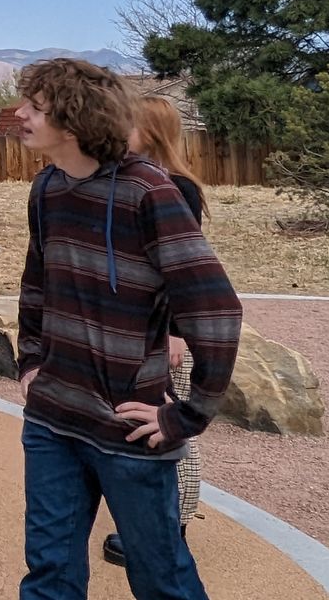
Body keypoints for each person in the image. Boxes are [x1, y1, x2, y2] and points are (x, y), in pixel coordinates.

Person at [13, 59, 241, 600]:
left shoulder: (151, 194)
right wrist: (29, 362)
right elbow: (36, 284)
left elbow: (217, 312)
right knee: (48, 575)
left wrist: (186, 415)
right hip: (51, 421)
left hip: (128, 430)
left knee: (161, 579)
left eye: (35, 107)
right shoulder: (47, 187)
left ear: (72, 123)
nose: (18, 113)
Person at [102, 95, 208, 568]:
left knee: (173, 427)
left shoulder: (178, 189)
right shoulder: (141, 182)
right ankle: (153, 524)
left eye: (130, 123)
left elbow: (186, 272)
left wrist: (178, 333)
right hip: (142, 330)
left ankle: (173, 530)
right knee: (145, 426)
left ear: (152, 131)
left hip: (169, 333)